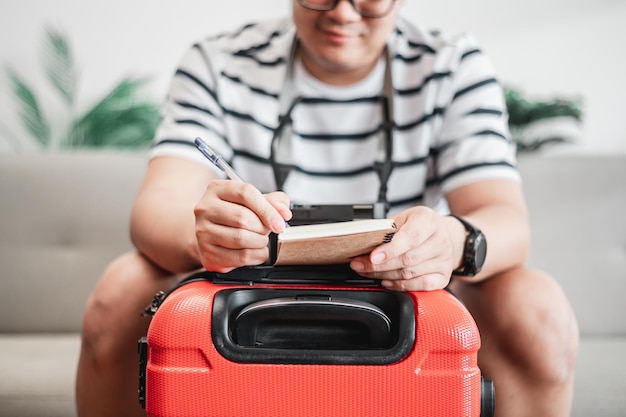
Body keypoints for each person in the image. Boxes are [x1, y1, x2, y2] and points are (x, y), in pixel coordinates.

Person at [75, 0, 579, 416]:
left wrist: (449, 242)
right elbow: (157, 205)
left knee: (540, 311)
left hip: (404, 279)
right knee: (118, 292)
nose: (343, 13)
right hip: (244, 277)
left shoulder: (451, 64)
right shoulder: (218, 61)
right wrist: (202, 235)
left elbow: (505, 218)